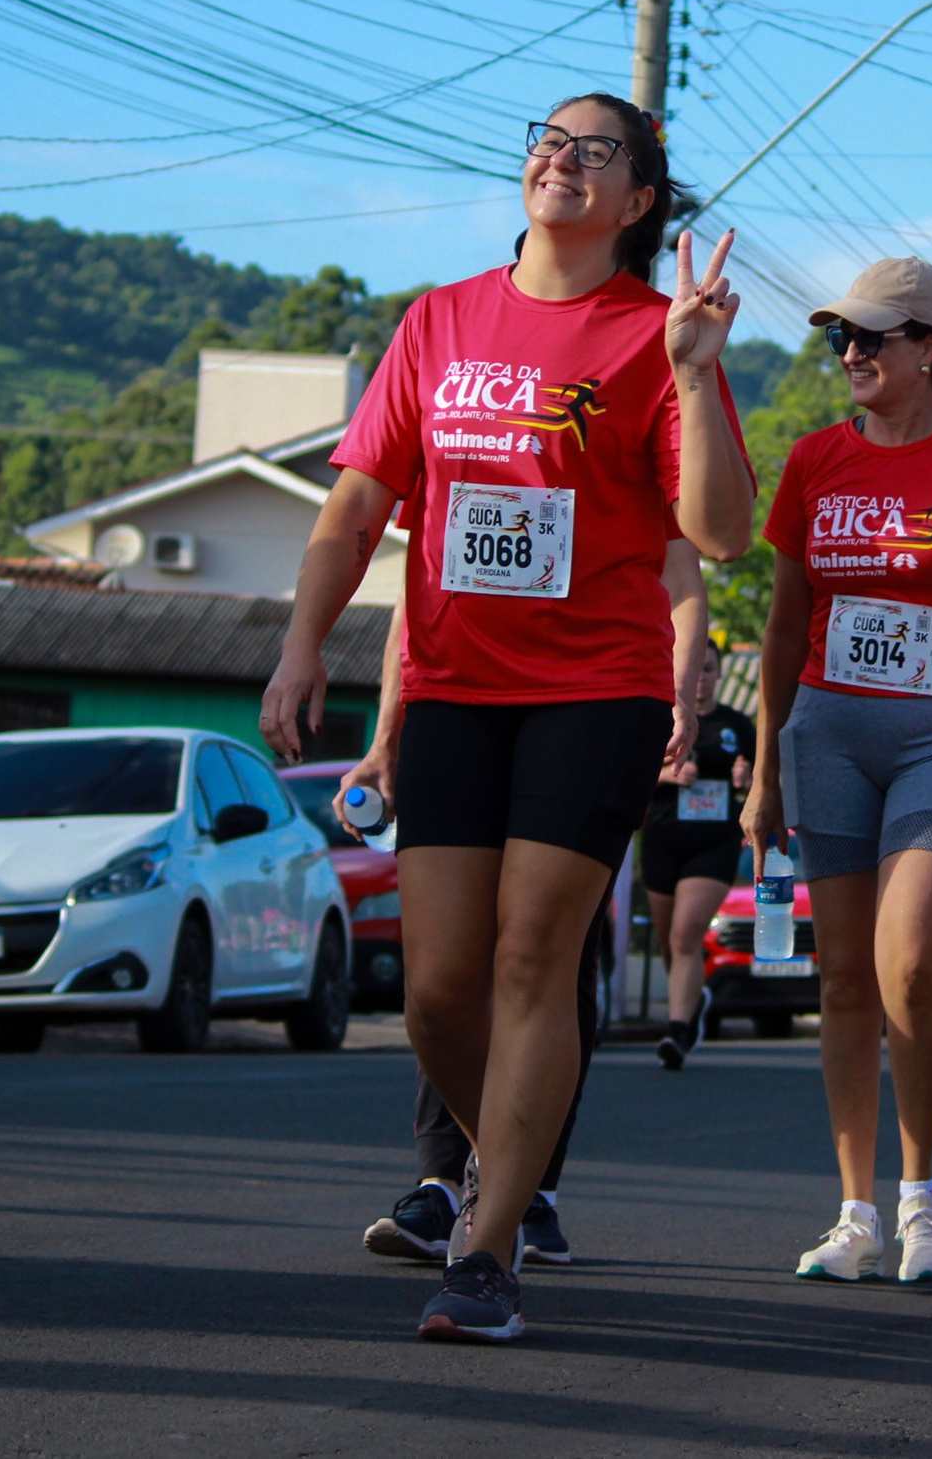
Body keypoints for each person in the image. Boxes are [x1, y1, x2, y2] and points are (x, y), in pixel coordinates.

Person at [262, 95, 754, 1344]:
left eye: (597, 150)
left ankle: (485, 1256)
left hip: (596, 690)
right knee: (437, 991)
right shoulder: (439, 320)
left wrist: (695, 374)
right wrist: (303, 643)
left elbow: (719, 532)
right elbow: (357, 504)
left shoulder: (655, 334)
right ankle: (507, 1161)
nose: (561, 157)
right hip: (453, 687)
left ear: (637, 201)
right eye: (548, 137)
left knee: (534, 958)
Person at [742, 255, 932, 1290]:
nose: (850, 353)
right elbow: (783, 628)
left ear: (928, 347)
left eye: (871, 336)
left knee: (910, 962)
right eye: (842, 336)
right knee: (840, 977)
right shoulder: (813, 460)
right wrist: (763, 771)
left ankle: (921, 1196)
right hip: (825, 732)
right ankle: (855, 1213)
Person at [350, 535, 708, 1268]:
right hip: (468, 706)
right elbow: (418, 590)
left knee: (542, 954)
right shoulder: (461, 461)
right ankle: (447, 1178)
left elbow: (683, 572)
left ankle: (530, 1190)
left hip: (590, 709)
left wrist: (676, 693)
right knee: (450, 973)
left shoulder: (637, 462)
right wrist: (386, 739)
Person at [646, 635, 753, 1069]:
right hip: (662, 839)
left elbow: (760, 781)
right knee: (669, 940)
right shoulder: (661, 720)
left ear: (719, 673)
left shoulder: (737, 725)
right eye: (696, 670)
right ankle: (694, 1002)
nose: (702, 679)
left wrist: (746, 779)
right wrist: (666, 776)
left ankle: (677, 1031)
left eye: (709, 669)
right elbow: (630, 774)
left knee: (686, 933)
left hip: (713, 842)